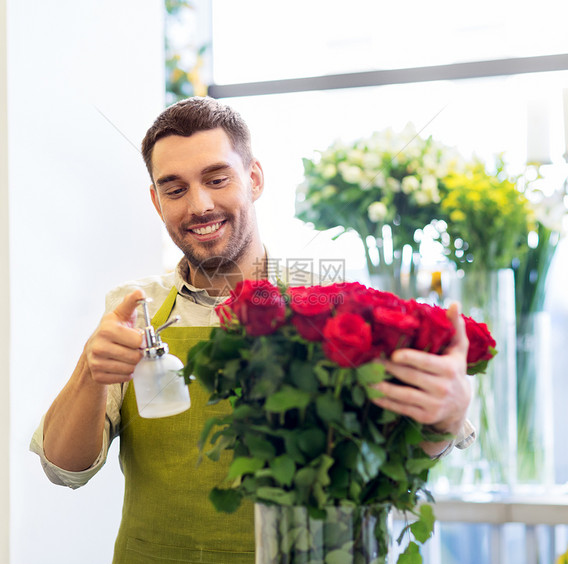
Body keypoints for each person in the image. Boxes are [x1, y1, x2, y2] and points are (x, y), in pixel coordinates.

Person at [30, 96, 476, 563]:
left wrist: (444, 417)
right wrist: (89, 371)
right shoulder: (134, 310)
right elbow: (64, 468)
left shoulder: (333, 301)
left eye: (217, 179)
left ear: (255, 179)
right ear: (156, 200)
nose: (199, 205)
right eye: (174, 189)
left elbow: (401, 457)